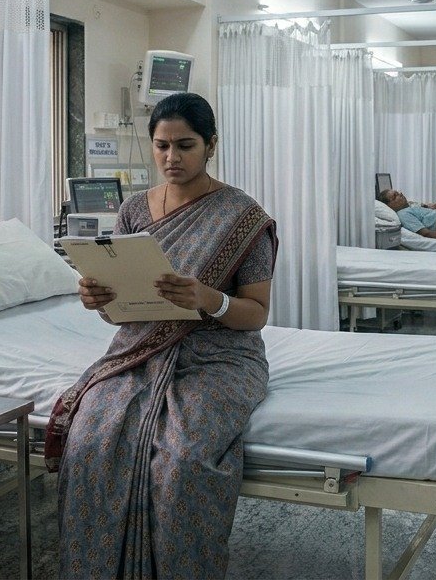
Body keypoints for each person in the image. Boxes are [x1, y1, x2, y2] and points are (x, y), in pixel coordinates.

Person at [50, 92, 277, 579]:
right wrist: (100, 301)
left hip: (220, 357)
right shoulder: (133, 211)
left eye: (185, 146)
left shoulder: (243, 218)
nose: (171, 158)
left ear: (211, 146)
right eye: (161, 146)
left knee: (185, 459)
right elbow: (125, 312)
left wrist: (207, 299)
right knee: (90, 440)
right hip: (137, 353)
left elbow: (256, 313)